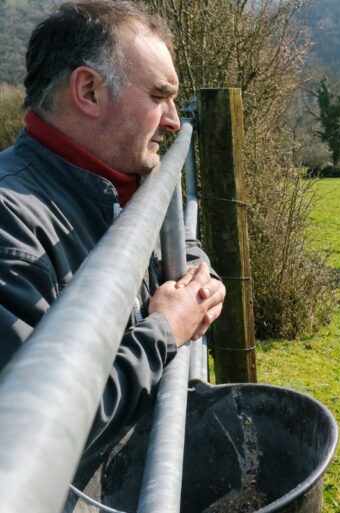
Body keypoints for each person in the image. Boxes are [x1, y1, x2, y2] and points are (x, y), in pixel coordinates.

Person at [0, 0, 226, 452]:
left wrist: (197, 275)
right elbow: (35, 441)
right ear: (89, 91)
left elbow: (175, 236)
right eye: (159, 95)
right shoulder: (11, 227)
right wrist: (164, 331)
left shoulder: (123, 180)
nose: (174, 120)